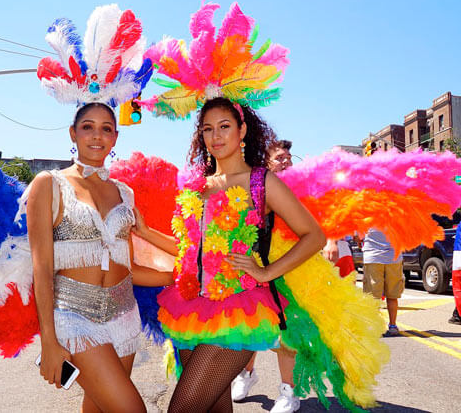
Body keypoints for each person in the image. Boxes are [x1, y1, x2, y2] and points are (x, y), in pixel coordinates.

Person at [136, 97, 326, 412]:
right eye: (208, 129)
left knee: (182, 408)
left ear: (242, 130)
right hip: (191, 309)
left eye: (225, 126)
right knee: (215, 407)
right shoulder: (198, 187)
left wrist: (266, 272)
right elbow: (189, 251)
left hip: (238, 310)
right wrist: (145, 233)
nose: (216, 136)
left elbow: (314, 236)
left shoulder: (261, 182)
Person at [27, 102, 172, 412]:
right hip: (75, 318)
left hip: (124, 317)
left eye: (106, 128)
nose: (97, 135)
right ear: (73, 133)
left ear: (115, 137)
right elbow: (41, 268)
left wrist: (179, 277)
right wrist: (49, 341)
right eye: (88, 127)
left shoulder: (124, 193)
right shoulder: (49, 184)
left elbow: (129, 268)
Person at [232, 139, 298, 412]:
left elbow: (321, 222)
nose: (286, 161)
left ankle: (288, 392)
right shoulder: (258, 187)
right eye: (279, 157)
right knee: (249, 329)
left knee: (286, 333)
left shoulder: (303, 188)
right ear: (266, 164)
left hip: (293, 270)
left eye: (288, 157)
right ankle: (246, 373)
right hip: (258, 267)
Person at [362, 228, 404, 336]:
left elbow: (358, 235)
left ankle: (373, 327)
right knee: (392, 295)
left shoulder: (365, 212)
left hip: (372, 256)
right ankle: (393, 325)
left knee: (372, 297)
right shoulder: (398, 212)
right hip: (394, 256)